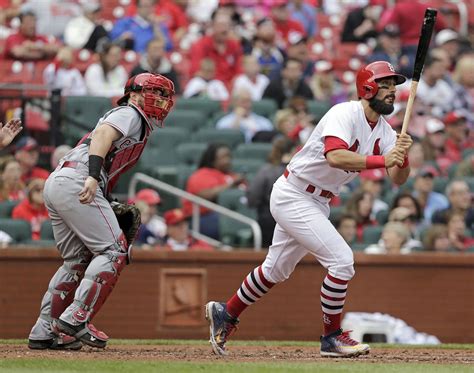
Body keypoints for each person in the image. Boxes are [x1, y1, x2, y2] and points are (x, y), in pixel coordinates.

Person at [205, 61, 412, 358]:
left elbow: (399, 178)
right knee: (342, 262)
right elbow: (336, 156)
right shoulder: (345, 112)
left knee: (275, 270)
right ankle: (331, 338)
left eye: (394, 85)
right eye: (386, 84)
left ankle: (226, 312)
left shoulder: (384, 131)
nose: (393, 90)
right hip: (294, 193)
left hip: (317, 200)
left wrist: (401, 157)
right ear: (367, 87)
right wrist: (384, 159)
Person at [27, 73, 175, 350]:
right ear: (133, 94)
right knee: (114, 250)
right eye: (154, 92)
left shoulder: (137, 122)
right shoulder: (130, 113)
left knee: (77, 260)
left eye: (164, 95)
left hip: (60, 181)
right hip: (80, 177)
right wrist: (93, 176)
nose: (161, 100)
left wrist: (103, 192)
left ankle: (45, 328)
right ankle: (75, 317)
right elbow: (103, 135)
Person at [183, 143, 244, 240]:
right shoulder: (201, 174)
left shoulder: (232, 175)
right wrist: (231, 185)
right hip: (203, 217)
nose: (228, 161)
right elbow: (206, 194)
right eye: (223, 157)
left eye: (229, 157)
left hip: (229, 215)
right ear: (212, 160)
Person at [247, 136, 295, 247]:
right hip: (293, 220)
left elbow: (252, 199)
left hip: (269, 218)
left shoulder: (267, 170)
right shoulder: (299, 171)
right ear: (293, 150)